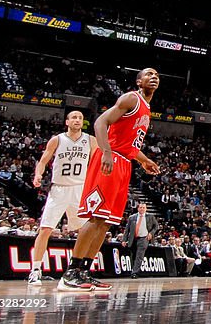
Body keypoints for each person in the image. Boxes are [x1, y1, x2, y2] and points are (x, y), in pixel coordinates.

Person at [58, 68, 162, 292]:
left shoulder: (147, 108)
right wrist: (105, 152)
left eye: (157, 76)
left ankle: (85, 271)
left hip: (124, 162)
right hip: (110, 158)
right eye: (149, 74)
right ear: (138, 80)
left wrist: (144, 160)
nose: (154, 77)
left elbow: (129, 145)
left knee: (105, 223)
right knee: (95, 218)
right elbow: (99, 123)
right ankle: (71, 273)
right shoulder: (131, 98)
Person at [28, 110, 94, 286]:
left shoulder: (90, 140)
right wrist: (38, 175)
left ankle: (79, 270)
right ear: (67, 121)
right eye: (74, 117)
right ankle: (35, 270)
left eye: (80, 118)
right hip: (58, 189)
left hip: (79, 189)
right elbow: (42, 161)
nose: (77, 120)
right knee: (45, 229)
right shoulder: (57, 139)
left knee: (84, 232)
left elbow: (99, 161)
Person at [123, 202, 159, 278]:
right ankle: (134, 270)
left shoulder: (150, 216)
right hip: (133, 238)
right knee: (133, 255)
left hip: (144, 238)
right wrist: (124, 240)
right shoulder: (132, 217)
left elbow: (156, 226)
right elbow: (127, 230)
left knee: (139, 255)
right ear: (138, 208)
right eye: (141, 207)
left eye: (143, 207)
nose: (142, 209)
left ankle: (134, 273)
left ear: (146, 209)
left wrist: (151, 233)